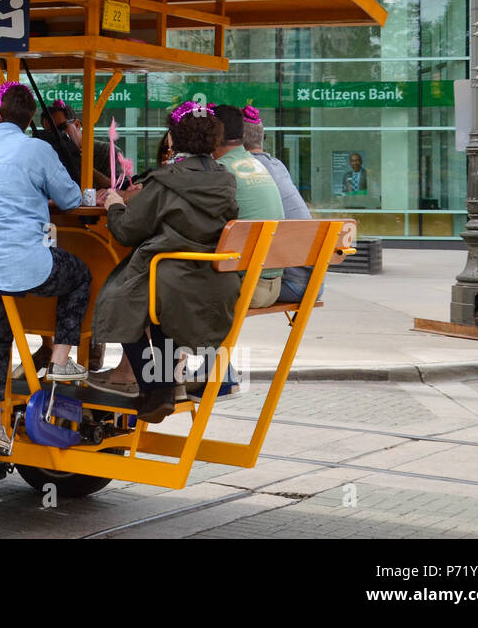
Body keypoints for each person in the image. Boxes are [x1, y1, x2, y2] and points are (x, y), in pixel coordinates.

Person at [0, 81, 90, 453]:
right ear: (29, 121)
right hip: (25, 266)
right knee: (79, 274)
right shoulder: (37, 149)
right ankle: (60, 359)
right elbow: (72, 199)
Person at [89, 102, 240, 422]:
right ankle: (166, 384)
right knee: (158, 297)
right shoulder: (226, 180)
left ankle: (155, 387)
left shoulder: (166, 180)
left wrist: (115, 205)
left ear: (173, 139)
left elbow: (128, 232)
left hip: (170, 272)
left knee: (121, 298)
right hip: (214, 276)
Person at [241, 107, 323, 305]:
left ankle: (168, 338)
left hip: (291, 284)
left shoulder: (246, 171)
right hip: (314, 283)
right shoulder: (277, 165)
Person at [213, 103, 286, 308]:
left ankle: (163, 342)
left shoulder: (221, 170)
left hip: (247, 287)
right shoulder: (257, 164)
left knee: (162, 285)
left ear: (214, 136)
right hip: (273, 285)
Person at [37, 100, 111, 189]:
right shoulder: (51, 157)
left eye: (62, 127)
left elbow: (122, 189)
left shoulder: (107, 151)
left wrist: (83, 164)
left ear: (77, 124)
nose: (59, 134)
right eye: (51, 132)